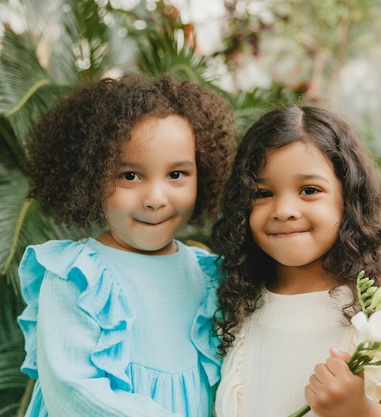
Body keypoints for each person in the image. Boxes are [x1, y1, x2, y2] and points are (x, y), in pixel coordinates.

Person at [211, 105, 381, 417]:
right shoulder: (238, 303)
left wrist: (362, 410)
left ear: (349, 201)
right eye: (262, 193)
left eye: (309, 190)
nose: (284, 209)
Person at [16, 74, 234, 417]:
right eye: (130, 175)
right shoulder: (77, 276)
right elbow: (74, 391)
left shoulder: (208, 275)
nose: (155, 199)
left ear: (203, 175)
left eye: (177, 174)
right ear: (90, 178)